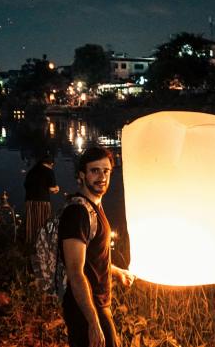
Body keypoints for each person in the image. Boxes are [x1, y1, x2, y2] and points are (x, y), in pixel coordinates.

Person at [59, 147, 135, 347]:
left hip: (98, 304)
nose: (101, 176)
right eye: (94, 170)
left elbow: (92, 258)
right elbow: (75, 272)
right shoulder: (78, 213)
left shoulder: (95, 207)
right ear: (82, 175)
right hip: (85, 308)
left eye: (106, 170)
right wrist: (93, 322)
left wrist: (116, 271)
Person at [24, 154, 60, 245]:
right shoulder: (49, 171)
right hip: (42, 201)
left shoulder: (32, 171)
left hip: (29, 201)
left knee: (31, 223)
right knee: (43, 223)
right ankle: (42, 245)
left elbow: (25, 185)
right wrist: (57, 188)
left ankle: (30, 243)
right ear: (51, 164)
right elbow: (51, 188)